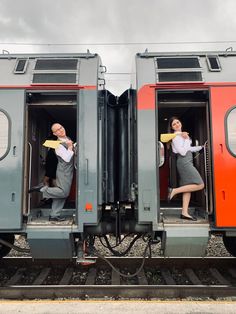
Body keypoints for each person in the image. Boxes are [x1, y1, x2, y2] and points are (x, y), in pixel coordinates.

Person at [29, 123, 74, 222]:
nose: (60, 130)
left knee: (60, 194)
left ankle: (54, 215)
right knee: (64, 192)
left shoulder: (67, 138)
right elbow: (66, 158)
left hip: (67, 170)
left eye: (61, 128)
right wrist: (70, 147)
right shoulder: (58, 145)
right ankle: (43, 189)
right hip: (64, 171)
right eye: (57, 130)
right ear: (55, 133)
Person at [167, 117, 204, 221]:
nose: (177, 125)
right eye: (174, 124)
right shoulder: (175, 137)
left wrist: (201, 147)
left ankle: (184, 212)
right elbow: (183, 152)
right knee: (200, 185)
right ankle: (173, 191)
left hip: (187, 161)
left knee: (188, 188)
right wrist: (186, 139)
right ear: (171, 127)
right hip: (184, 163)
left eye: (178, 122)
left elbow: (188, 149)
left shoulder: (181, 135)